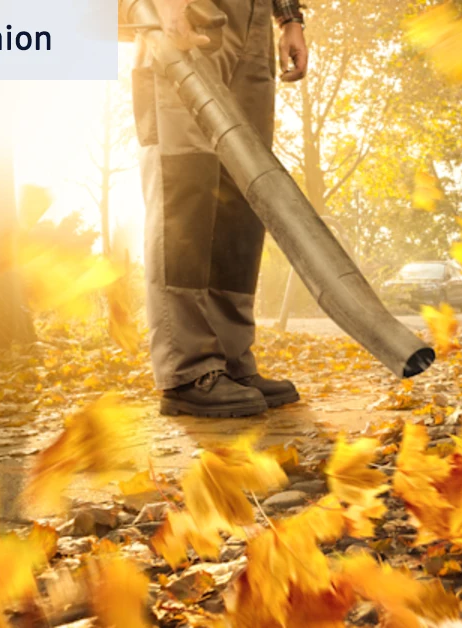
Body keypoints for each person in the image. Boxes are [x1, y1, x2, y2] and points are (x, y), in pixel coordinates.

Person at [133, 0, 309, 417]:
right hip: (190, 14)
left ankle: (230, 361)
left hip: (251, 25)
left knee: (242, 198)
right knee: (185, 189)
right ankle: (187, 368)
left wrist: (289, 19)